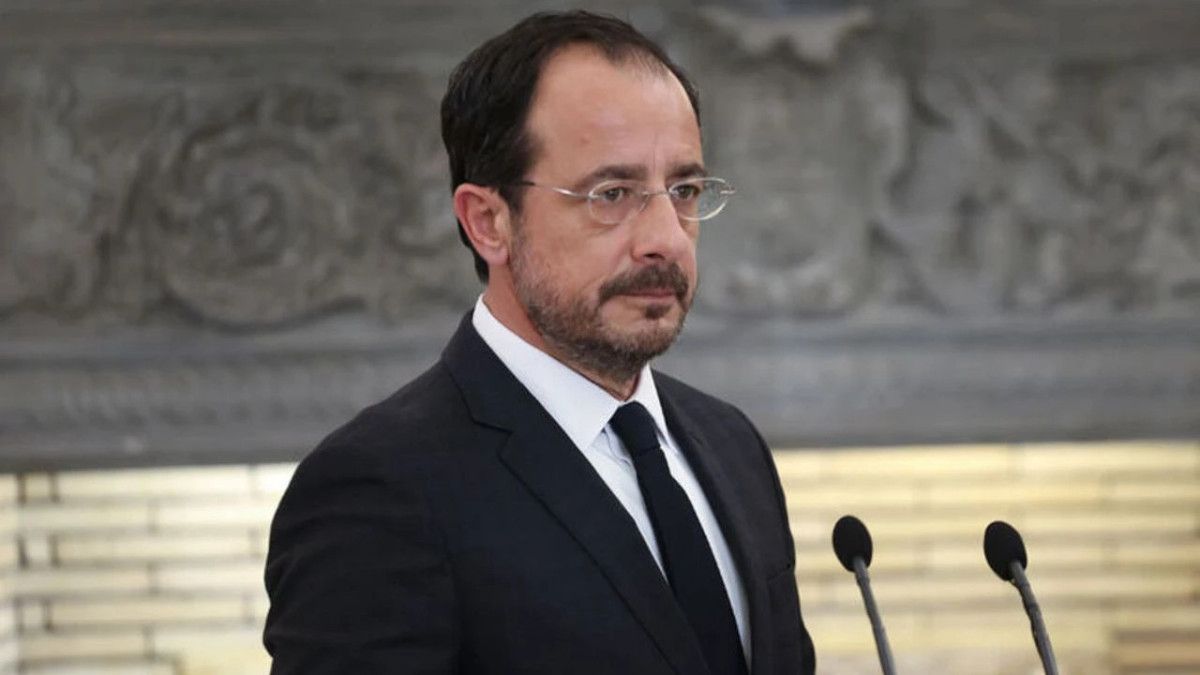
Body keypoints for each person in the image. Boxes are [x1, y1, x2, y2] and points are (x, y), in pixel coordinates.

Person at [263, 10, 814, 675]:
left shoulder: (732, 444)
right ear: (488, 222)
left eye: (684, 190)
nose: (666, 237)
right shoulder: (379, 490)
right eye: (612, 193)